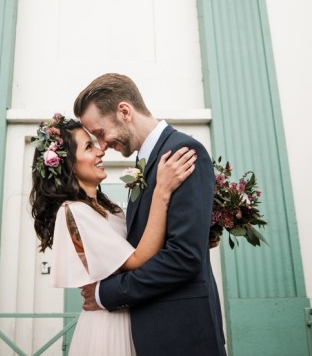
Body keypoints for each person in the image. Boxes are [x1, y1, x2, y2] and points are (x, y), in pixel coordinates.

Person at [74, 73, 226, 356]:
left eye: (100, 133)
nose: (102, 146)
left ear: (124, 111)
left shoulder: (181, 152)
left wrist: (105, 293)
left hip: (182, 335)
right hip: (154, 334)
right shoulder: (145, 163)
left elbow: (184, 257)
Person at [30, 113, 197, 356]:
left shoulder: (110, 208)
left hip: (134, 317)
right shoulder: (74, 212)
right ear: (68, 165)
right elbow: (137, 259)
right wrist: (162, 190)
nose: (100, 151)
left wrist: (191, 236)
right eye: (89, 146)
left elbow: (150, 240)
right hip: (109, 326)